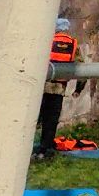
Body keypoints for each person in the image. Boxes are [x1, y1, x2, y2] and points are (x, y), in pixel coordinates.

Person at [37, 18, 79, 158]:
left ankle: (32, 148)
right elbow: (81, 67)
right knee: (52, 119)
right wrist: (78, 88)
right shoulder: (73, 44)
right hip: (59, 88)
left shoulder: (47, 41)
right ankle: (46, 148)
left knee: (36, 118)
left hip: (42, 87)